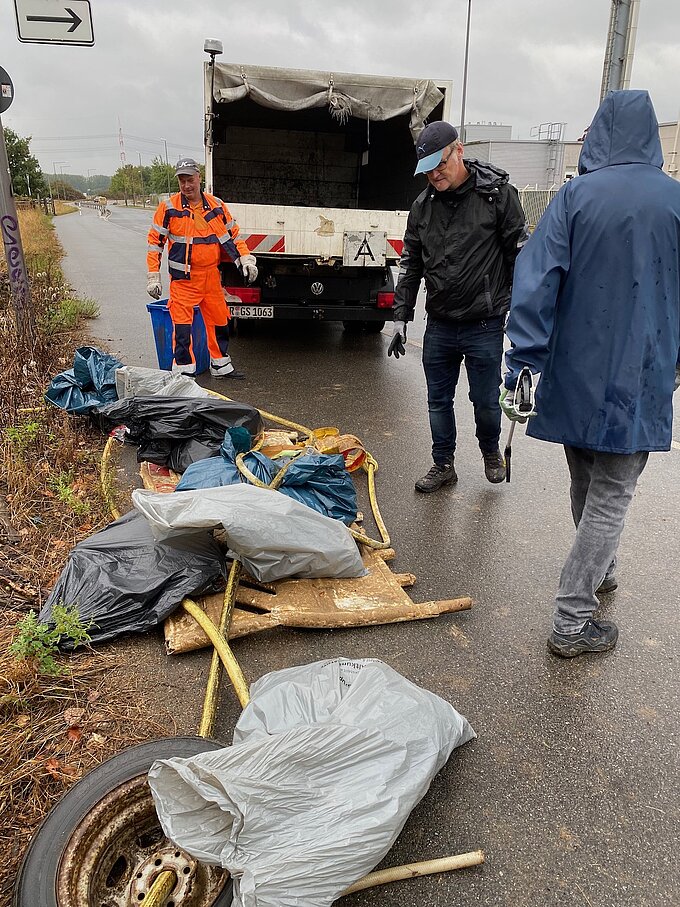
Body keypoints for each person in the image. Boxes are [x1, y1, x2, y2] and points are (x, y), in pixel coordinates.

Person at [501, 90, 680, 658]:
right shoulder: (676, 202)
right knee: (611, 495)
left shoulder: (574, 197)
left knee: (586, 481)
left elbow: (535, 282)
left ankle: (599, 570)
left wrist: (523, 362)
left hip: (573, 372)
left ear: (601, 134)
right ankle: (573, 620)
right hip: (643, 371)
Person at [389, 121, 529, 491]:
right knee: (438, 401)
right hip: (440, 324)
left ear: (459, 151)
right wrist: (401, 316)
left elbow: (520, 255)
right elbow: (411, 262)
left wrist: (522, 311)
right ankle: (443, 464)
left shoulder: (497, 196)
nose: (434, 174)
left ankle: (490, 451)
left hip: (484, 323)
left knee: (484, 400)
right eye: (428, 170)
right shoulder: (422, 207)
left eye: (440, 165)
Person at [146, 157, 258, 378]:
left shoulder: (216, 206)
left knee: (220, 320)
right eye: (182, 181)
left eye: (190, 180)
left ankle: (220, 365)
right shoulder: (168, 208)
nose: (187, 185)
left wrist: (246, 258)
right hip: (183, 279)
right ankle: (184, 373)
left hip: (210, 277)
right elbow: (154, 243)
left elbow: (234, 236)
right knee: (182, 327)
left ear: (199, 178)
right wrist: (153, 276)